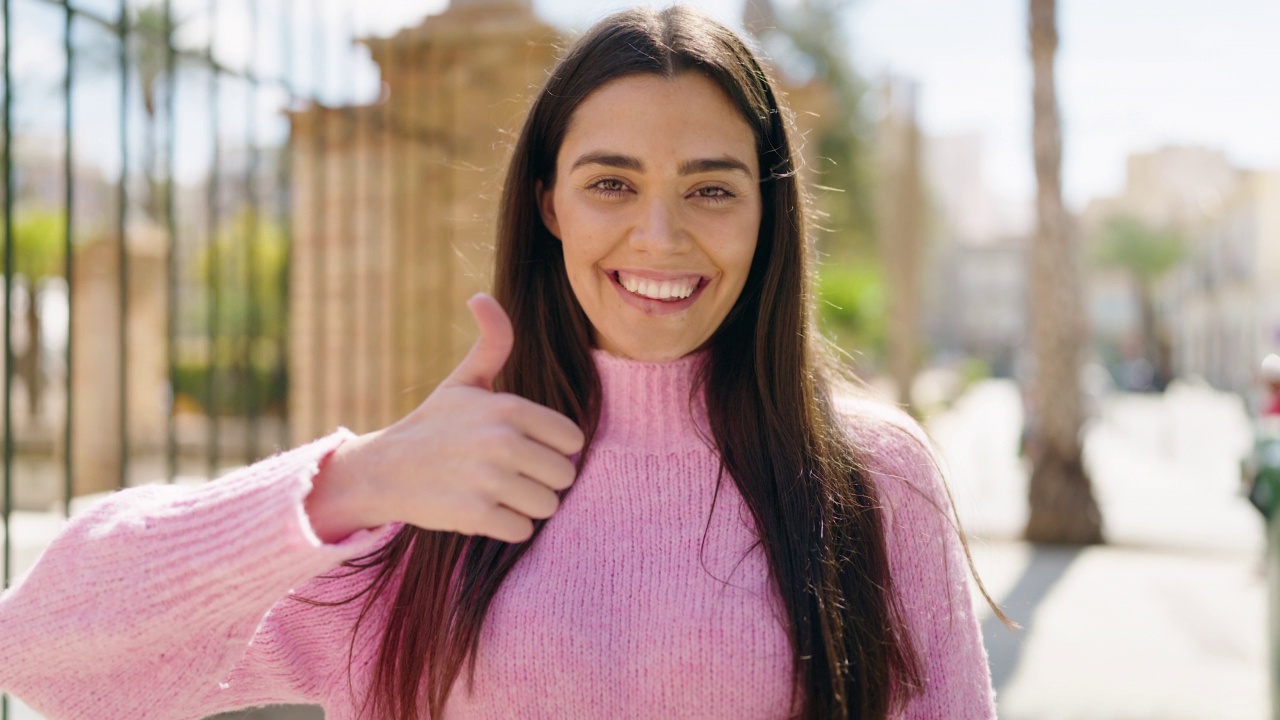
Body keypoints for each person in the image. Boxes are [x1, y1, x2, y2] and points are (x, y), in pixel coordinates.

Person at [0, 7, 1002, 719]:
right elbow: (42, 654)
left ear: (767, 213)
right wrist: (357, 479)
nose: (659, 237)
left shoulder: (869, 474)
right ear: (545, 205)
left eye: (710, 190)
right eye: (610, 183)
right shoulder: (434, 481)